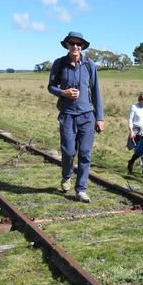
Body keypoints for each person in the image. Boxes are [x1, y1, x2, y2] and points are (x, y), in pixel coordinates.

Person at [47, 31, 104, 203]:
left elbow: (96, 92)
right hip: (67, 116)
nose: (75, 47)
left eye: (79, 44)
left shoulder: (89, 65)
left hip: (87, 116)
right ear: (67, 45)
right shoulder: (59, 63)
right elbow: (51, 86)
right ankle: (66, 176)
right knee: (69, 152)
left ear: (82, 47)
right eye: (72, 43)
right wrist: (63, 92)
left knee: (85, 153)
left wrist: (99, 118)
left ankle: (81, 190)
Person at [127, 90, 143, 174]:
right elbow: (130, 119)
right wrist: (131, 131)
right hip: (136, 131)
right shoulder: (134, 106)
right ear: (140, 98)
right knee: (138, 150)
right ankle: (131, 161)